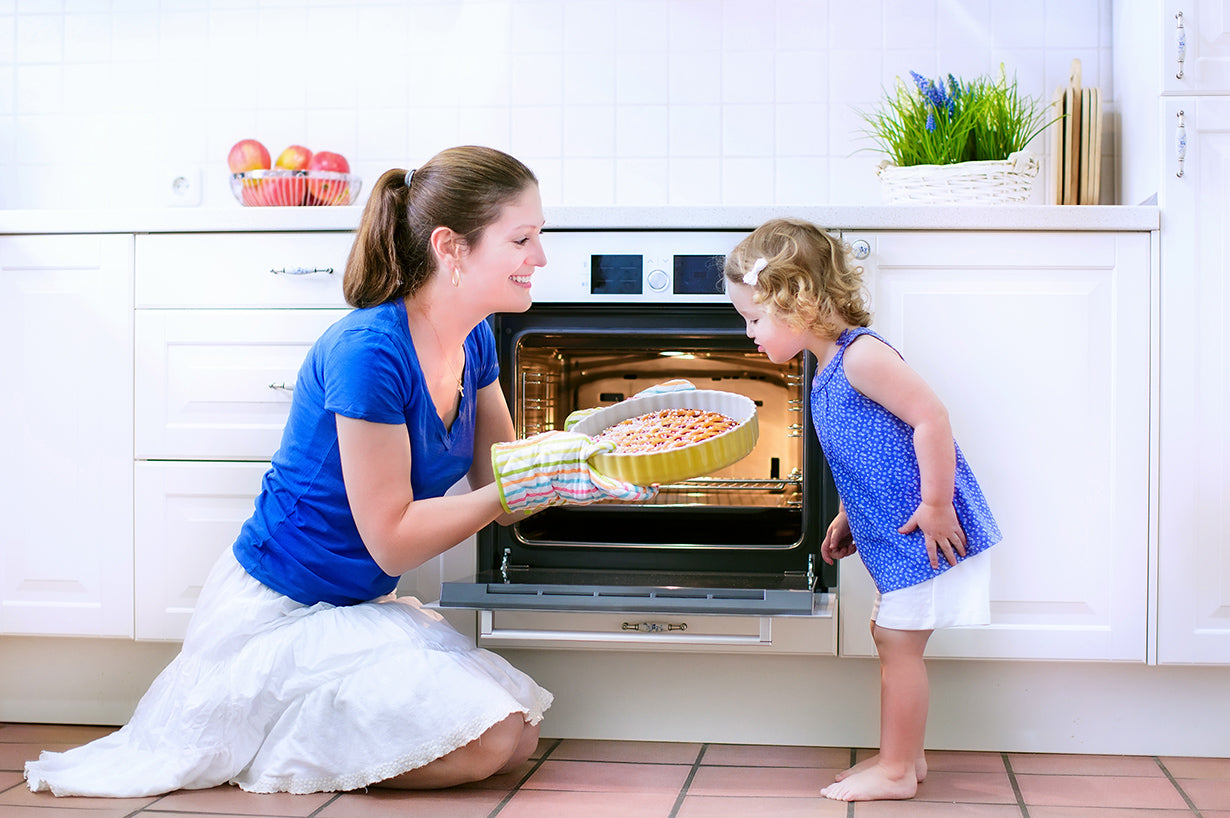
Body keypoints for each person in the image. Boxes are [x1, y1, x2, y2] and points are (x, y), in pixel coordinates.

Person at [25, 145, 653, 798]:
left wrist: (593, 460)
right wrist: (521, 483)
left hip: (353, 606)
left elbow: (511, 491)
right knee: (492, 739)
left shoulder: (473, 340)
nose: (540, 258)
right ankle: (260, 741)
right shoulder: (368, 352)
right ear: (453, 248)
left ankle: (295, 732)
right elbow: (395, 536)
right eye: (522, 238)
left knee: (516, 734)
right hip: (278, 612)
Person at [723, 218, 1002, 802]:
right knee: (890, 637)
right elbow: (869, 451)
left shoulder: (861, 357)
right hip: (892, 531)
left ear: (793, 300)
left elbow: (932, 418)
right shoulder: (825, 366)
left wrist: (935, 503)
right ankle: (907, 756)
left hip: (922, 530)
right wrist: (850, 514)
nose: (748, 332)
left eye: (753, 317)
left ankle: (898, 771)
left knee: (897, 645)